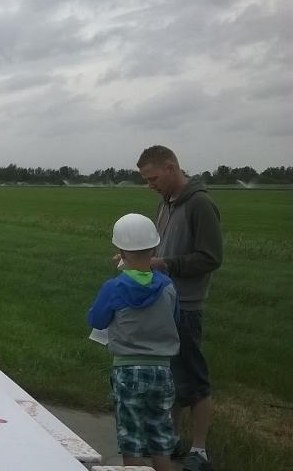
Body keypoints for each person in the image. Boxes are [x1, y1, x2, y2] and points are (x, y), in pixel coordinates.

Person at [137, 145, 222, 471]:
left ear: (171, 168)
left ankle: (199, 451)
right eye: (147, 180)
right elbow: (159, 249)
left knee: (194, 379)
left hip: (186, 305)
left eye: (153, 178)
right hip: (163, 300)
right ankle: (170, 439)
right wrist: (137, 259)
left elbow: (210, 258)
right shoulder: (166, 203)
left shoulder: (200, 204)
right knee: (169, 376)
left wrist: (164, 264)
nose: (150, 185)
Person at [88, 213, 180, 471]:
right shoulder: (168, 286)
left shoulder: (114, 287)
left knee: (132, 440)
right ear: (154, 249)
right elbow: (175, 319)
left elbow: (96, 319)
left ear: (120, 251)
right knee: (160, 437)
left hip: (127, 369)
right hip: (162, 370)